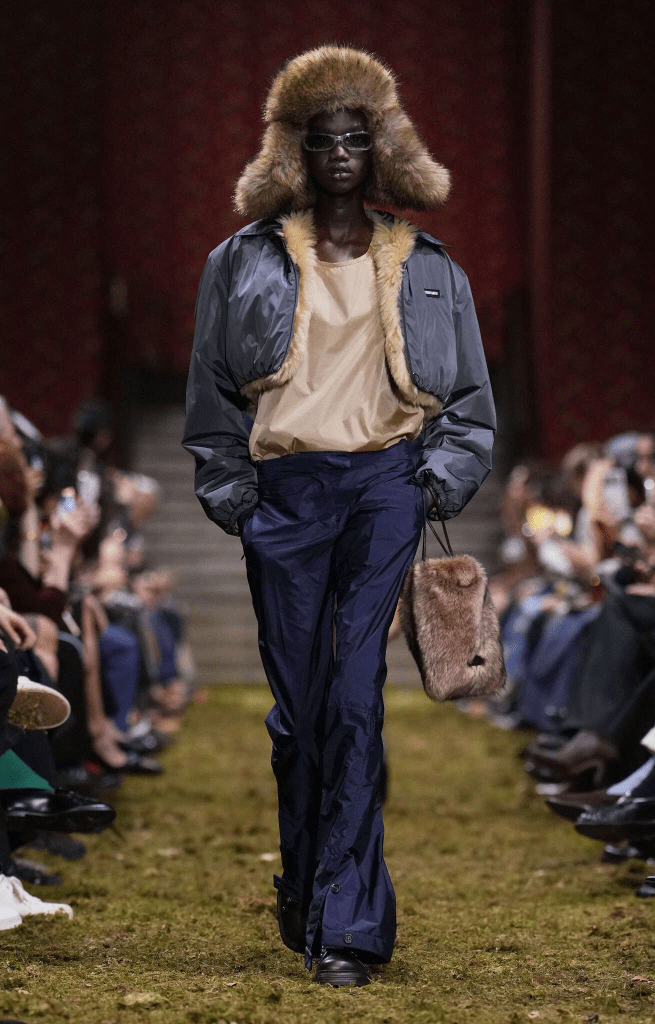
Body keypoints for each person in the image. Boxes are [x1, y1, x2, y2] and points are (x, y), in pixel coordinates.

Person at [183, 45, 496, 987]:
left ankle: (349, 926)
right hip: (284, 493)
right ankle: (307, 887)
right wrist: (235, 496)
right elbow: (209, 393)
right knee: (301, 712)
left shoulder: (428, 265)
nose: (341, 155)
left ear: (383, 147)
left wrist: (433, 482)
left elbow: (469, 398)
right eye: (323, 140)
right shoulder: (239, 261)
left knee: (356, 699)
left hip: (384, 487)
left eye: (357, 138)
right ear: (295, 150)